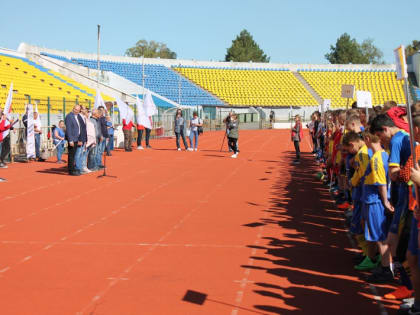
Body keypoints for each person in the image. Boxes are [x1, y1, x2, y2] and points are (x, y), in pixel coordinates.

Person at [370, 114, 411, 283]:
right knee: (397, 240)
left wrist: (402, 172)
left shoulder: (395, 141)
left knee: (396, 241)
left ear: (385, 129)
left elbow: (393, 175)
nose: (380, 141)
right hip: (406, 194)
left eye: (380, 136)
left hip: (405, 195)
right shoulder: (405, 136)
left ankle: (404, 282)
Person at [64, 105, 82, 176]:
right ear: (73, 108)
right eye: (75, 109)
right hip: (72, 139)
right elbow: (68, 129)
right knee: (71, 155)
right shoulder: (69, 116)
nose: (76, 111)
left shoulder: (76, 116)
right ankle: (71, 170)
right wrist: (70, 140)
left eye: (78, 110)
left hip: (76, 138)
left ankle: (73, 168)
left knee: (74, 155)